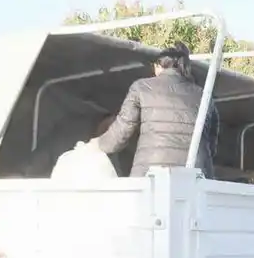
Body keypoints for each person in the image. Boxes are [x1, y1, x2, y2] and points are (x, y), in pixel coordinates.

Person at [93, 42, 220, 178]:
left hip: (150, 176)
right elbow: (211, 147)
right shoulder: (204, 95)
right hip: (197, 178)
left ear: (157, 67)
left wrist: (95, 146)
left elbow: (121, 133)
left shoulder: (141, 88)